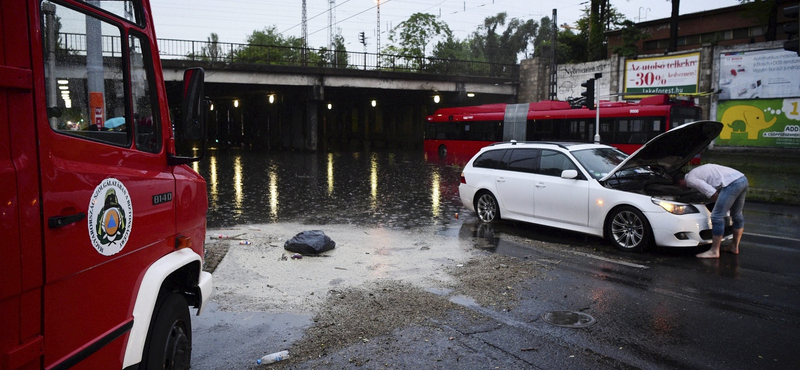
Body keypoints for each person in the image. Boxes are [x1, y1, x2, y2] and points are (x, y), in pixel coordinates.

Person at [676, 164, 748, 259]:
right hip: (742, 179)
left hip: (732, 183)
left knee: (717, 216)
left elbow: (713, 194)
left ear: (681, 182)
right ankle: (734, 247)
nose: (681, 189)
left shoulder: (690, 179)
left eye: (679, 186)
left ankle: (714, 251)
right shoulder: (695, 173)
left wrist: (722, 205)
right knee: (737, 215)